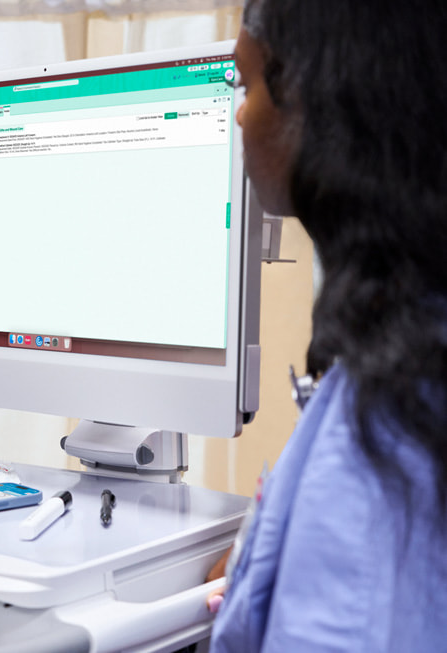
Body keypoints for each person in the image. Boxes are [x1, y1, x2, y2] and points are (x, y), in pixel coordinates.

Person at [207, 0, 447, 650]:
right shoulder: (400, 338)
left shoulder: (389, 427)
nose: (240, 114)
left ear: (320, 100)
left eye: (247, 85)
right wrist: (268, 557)